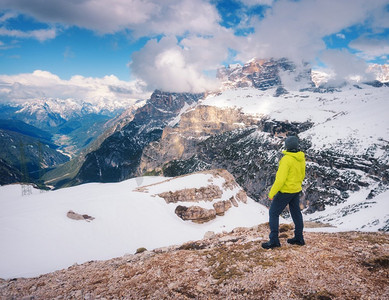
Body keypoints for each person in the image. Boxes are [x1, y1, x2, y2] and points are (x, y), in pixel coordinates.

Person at [262, 135, 306, 249]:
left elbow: (280, 179)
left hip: (285, 191)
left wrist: (271, 193)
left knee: (273, 213)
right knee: (296, 213)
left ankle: (274, 241)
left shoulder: (286, 159)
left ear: (287, 146)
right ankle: (299, 238)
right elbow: (302, 175)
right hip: (296, 190)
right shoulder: (301, 158)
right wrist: (296, 185)